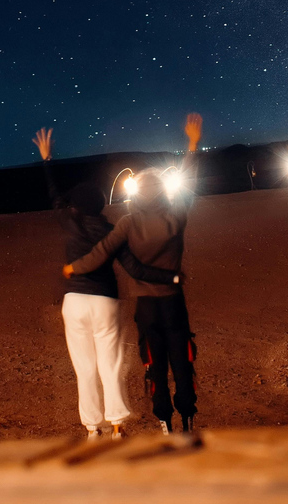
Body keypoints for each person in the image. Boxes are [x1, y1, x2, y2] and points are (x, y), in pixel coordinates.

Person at [33, 127, 179, 441]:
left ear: (76, 207)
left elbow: (54, 195)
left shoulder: (69, 222)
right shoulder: (111, 230)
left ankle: (91, 428)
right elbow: (133, 266)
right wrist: (169, 277)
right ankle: (116, 426)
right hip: (105, 302)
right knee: (110, 365)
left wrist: (47, 160)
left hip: (75, 302)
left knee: (84, 368)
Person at [63, 113, 202, 435]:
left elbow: (102, 252)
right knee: (183, 362)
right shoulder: (176, 215)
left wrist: (75, 267)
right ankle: (188, 419)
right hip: (173, 303)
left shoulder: (127, 221)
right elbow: (190, 180)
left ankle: (164, 421)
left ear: (138, 192)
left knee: (153, 364)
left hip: (146, 306)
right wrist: (192, 146)